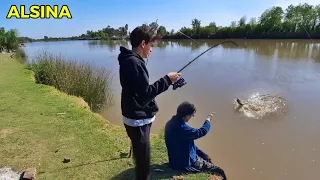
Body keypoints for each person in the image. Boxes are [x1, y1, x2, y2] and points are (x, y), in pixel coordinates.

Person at [117, 25, 182, 180]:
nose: (152, 49)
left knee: (141, 157)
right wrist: (167, 79)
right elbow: (146, 94)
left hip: (134, 117)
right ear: (143, 44)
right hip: (137, 120)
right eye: (151, 45)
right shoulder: (134, 63)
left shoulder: (129, 59)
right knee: (143, 164)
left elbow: (139, 91)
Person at [164, 101, 227, 180]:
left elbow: (187, 143)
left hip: (175, 160)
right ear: (186, 115)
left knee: (207, 158)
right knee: (220, 171)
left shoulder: (171, 123)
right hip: (184, 165)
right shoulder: (182, 128)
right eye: (192, 115)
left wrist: (202, 153)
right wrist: (208, 120)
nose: (192, 116)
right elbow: (201, 132)